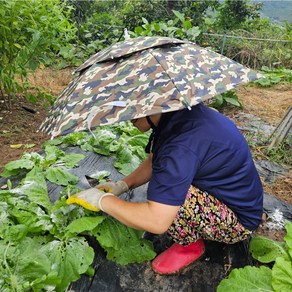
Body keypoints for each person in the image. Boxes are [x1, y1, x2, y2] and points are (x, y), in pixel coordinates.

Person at [67, 103, 263, 275]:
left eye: (133, 111)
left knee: (169, 195)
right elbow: (155, 160)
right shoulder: (180, 113)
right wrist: (122, 185)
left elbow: (157, 220)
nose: (128, 118)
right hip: (234, 196)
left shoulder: (179, 146)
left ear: (153, 104)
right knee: (167, 183)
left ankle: (189, 246)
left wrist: (103, 201)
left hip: (237, 221)